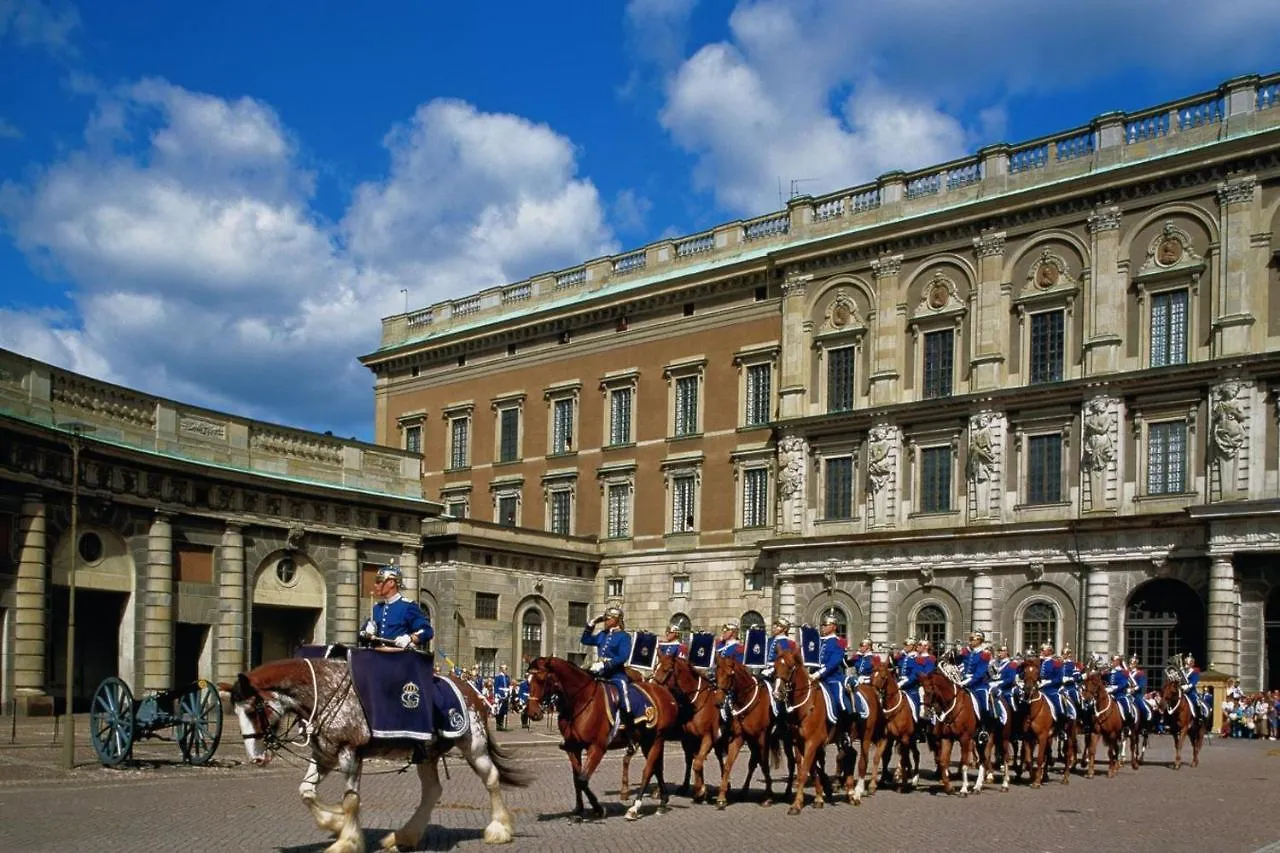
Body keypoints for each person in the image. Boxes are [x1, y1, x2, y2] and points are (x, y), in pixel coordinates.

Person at [359, 564, 435, 741]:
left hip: (399, 660)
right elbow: (363, 636)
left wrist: (410, 638)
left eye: (379, 582)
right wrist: (366, 631)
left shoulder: (407, 607)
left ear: (391, 583)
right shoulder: (376, 609)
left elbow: (427, 631)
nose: (376, 586)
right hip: (376, 658)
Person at [581, 606, 635, 724]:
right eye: (605, 619)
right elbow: (585, 640)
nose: (605, 621)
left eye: (608, 619)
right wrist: (591, 624)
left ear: (616, 620)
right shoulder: (602, 634)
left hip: (615, 673)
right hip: (599, 673)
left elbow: (623, 656)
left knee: (623, 689)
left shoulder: (624, 636)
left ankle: (628, 720)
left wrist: (605, 665)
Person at [810, 613, 849, 717]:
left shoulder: (840, 642)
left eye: (826, 625)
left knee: (839, 700)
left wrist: (819, 673)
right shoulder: (818, 641)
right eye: (822, 625)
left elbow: (834, 662)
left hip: (831, 677)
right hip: (813, 676)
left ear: (834, 627)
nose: (823, 627)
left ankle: (845, 726)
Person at [959, 631, 995, 737]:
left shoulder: (985, 654)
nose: (970, 641)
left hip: (979, 685)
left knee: (983, 705)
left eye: (972, 639)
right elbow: (963, 666)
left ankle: (984, 729)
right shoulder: (968, 653)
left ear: (979, 641)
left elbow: (980, 672)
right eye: (970, 639)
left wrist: (968, 681)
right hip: (965, 683)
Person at [1180, 653, 1209, 720]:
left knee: (1195, 702)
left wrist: (1188, 686)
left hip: (1191, 691)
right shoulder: (1183, 672)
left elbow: (1194, 681)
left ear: (1192, 663)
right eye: (1186, 663)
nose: (1186, 665)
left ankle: (1199, 717)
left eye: (1188, 663)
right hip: (1182, 691)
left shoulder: (1195, 671)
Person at [493, 664, 512, 731]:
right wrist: (496, 695)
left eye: (506, 668)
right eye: (504, 668)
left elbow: (508, 686)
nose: (506, 670)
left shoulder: (507, 677)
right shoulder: (498, 677)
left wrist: (509, 693)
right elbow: (496, 687)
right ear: (501, 669)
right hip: (500, 695)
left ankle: (502, 725)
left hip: (506, 695)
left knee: (504, 711)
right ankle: (498, 725)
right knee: (499, 711)